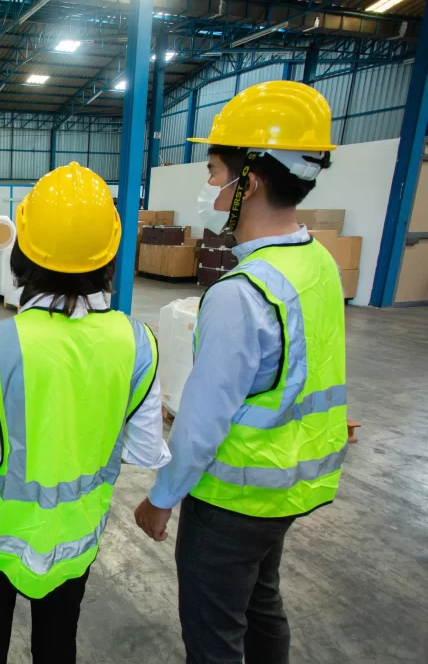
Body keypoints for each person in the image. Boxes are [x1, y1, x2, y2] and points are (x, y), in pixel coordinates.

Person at [134, 81, 347, 664]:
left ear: (247, 183)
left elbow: (203, 420)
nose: (208, 188)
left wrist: (161, 497)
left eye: (212, 172)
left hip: (234, 498)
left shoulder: (241, 292)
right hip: (289, 488)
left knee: (215, 633)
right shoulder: (318, 262)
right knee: (261, 606)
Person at [0, 162, 170, 663]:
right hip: (76, 538)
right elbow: (143, 450)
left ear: (23, 251)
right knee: (57, 647)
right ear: (110, 252)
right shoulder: (138, 343)